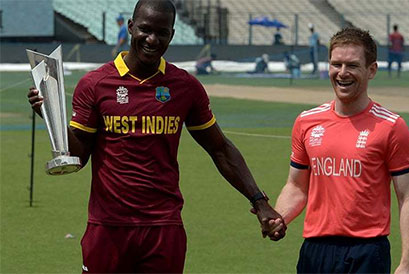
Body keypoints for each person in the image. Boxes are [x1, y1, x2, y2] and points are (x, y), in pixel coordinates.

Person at [27, 0, 286, 273]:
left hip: (164, 228)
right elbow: (78, 158)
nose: (152, 39)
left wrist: (260, 202)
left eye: (162, 32)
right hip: (108, 227)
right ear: (130, 27)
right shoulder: (95, 84)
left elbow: (220, 149)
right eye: (145, 29)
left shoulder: (185, 87)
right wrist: (50, 117)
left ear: (172, 35)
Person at [272, 27, 409, 273]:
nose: (342, 73)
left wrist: (407, 263)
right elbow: (296, 186)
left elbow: (408, 197)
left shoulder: (392, 126)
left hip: (367, 252)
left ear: (371, 70)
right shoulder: (306, 122)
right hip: (315, 250)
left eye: (351, 65)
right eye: (336, 64)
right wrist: (280, 218)